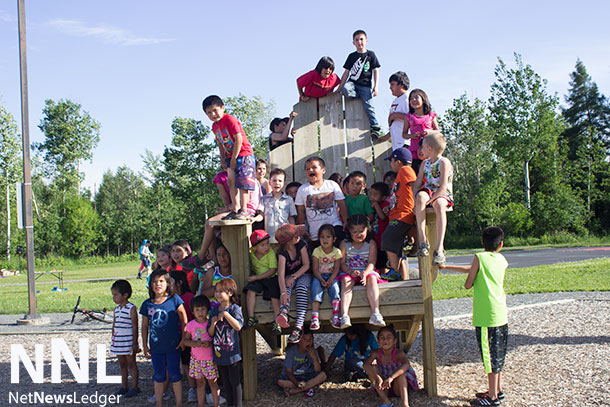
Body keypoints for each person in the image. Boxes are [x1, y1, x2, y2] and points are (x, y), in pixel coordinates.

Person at [439, 226, 508, 407]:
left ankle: (492, 398)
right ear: (501, 244)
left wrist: (465, 278)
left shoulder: (479, 257)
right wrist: (446, 267)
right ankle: (498, 391)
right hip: (500, 313)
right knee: (498, 354)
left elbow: (469, 282)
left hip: (486, 316)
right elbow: (473, 270)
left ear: (482, 242)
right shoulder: (501, 259)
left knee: (489, 356)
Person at [203, 95, 256, 221]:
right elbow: (220, 143)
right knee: (231, 182)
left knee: (243, 182)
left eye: (215, 110)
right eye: (209, 113)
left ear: (222, 108)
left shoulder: (230, 119)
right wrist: (222, 158)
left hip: (243, 154)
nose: (213, 114)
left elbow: (239, 138)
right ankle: (235, 208)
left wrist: (234, 158)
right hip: (229, 156)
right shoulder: (214, 127)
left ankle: (244, 209)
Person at [141, 269, 188, 407]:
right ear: (150, 285)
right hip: (156, 347)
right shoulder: (147, 304)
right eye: (154, 282)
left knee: (175, 374)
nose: (158, 284)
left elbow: (183, 319)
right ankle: (159, 403)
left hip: (174, 345)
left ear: (167, 283)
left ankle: (179, 403)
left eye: (161, 281)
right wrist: (144, 345)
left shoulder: (175, 300)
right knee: (159, 375)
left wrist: (184, 338)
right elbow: (144, 326)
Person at [338, 214, 386, 329]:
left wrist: (365, 273)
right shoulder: (344, 244)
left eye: (362, 230)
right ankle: (344, 315)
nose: (359, 234)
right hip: (350, 272)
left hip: (366, 270)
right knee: (346, 281)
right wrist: (350, 272)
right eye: (355, 231)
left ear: (367, 229)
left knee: (372, 278)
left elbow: (372, 262)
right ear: (349, 231)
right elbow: (342, 263)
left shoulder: (371, 243)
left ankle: (375, 313)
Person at [413, 133, 454, 265]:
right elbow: (418, 183)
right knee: (420, 197)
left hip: (442, 193)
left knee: (440, 205)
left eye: (423, 147)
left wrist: (430, 201)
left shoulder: (444, 162)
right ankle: (422, 241)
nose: (421, 150)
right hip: (429, 190)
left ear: (430, 148)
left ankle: (439, 248)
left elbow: (443, 187)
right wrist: (414, 199)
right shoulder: (424, 163)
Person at [337, 29, 382, 140]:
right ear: (353, 43)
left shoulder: (371, 55)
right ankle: (357, 96)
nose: (359, 42)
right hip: (353, 83)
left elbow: (376, 70)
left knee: (369, 106)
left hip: (365, 85)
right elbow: (346, 73)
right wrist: (339, 87)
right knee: (345, 90)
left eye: (361, 39)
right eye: (356, 40)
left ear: (366, 40)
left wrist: (376, 87)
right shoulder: (351, 56)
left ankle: (375, 126)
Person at [295, 157, 348, 249]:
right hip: (316, 231)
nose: (310, 170)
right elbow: (301, 211)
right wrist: (302, 228)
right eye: (307, 169)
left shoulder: (332, 185)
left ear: (323, 170)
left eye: (314, 167)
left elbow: (342, 204)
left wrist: (346, 221)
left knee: (338, 253)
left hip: (335, 226)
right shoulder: (302, 190)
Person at [380, 148, 417, 280]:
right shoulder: (401, 174)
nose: (391, 164)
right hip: (397, 213)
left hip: (403, 215)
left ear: (398, 161)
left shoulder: (405, 170)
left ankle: (394, 271)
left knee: (387, 239)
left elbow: (414, 185)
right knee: (396, 246)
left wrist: (419, 202)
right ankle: (397, 271)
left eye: (392, 161)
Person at [207, 279, 244, 407]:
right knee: (226, 382)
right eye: (216, 291)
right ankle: (230, 404)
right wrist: (213, 323)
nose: (217, 294)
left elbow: (238, 326)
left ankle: (238, 404)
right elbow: (210, 333)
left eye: (220, 291)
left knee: (235, 382)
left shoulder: (234, 309)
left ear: (229, 293)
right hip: (219, 353)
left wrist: (226, 315)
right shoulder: (214, 310)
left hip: (233, 353)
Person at [364, 324, 419, 407]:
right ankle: (386, 401)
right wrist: (377, 377)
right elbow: (366, 365)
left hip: (398, 386)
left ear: (395, 341)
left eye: (389, 337)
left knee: (401, 374)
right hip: (383, 386)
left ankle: (405, 404)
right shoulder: (375, 353)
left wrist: (391, 378)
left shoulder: (398, 353)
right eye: (382, 337)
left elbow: (406, 364)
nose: (385, 340)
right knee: (372, 373)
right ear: (378, 341)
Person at [274, 223, 311, 343]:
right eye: (295, 236)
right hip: (288, 276)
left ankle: (299, 324)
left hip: (303, 273)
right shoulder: (282, 254)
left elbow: (306, 265)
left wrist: (294, 277)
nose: (298, 236)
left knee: (301, 288)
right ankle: (283, 312)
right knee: (286, 287)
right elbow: (280, 275)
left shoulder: (301, 245)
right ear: (289, 241)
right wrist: (283, 292)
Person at [183, 295, 221, 407]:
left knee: (213, 383)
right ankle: (200, 404)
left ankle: (216, 404)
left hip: (209, 360)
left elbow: (216, 339)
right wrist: (194, 343)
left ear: (207, 309)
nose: (200, 312)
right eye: (197, 310)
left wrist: (209, 343)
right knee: (199, 384)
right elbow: (185, 341)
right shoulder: (190, 325)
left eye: (203, 309)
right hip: (196, 360)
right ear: (193, 311)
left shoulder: (210, 323)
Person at [243, 230, 282, 334]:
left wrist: (256, 277)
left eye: (268, 244)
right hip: (259, 279)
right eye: (263, 245)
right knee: (250, 290)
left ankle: (277, 320)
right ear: (255, 247)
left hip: (271, 277)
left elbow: (272, 270)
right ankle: (251, 317)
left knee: (274, 294)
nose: (267, 247)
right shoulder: (251, 254)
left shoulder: (270, 253)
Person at [170, 269, 197, 402]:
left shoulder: (188, 297)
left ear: (179, 283)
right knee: (185, 363)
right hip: (177, 336)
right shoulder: (169, 299)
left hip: (191, 336)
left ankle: (201, 388)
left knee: (194, 361)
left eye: (170, 281)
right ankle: (192, 387)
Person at [110, 279, 140, 398]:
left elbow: (134, 325)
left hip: (128, 341)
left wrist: (135, 342)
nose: (114, 298)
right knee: (122, 364)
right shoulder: (116, 309)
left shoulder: (131, 308)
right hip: (118, 341)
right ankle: (124, 386)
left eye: (116, 295)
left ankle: (135, 387)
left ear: (125, 295)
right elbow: (114, 323)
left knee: (131, 363)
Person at [310, 224, 342, 330]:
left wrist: (331, 279)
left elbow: (337, 268)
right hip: (319, 276)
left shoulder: (337, 252)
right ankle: (315, 317)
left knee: (335, 289)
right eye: (322, 237)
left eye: (328, 237)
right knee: (315, 289)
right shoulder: (317, 251)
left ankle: (336, 316)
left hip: (332, 275)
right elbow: (315, 269)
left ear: (334, 239)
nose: (325, 239)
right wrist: (321, 279)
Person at [277, 328, 327, 397]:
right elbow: (288, 371)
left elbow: (317, 370)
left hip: (307, 375)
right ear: (298, 341)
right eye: (305, 339)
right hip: (294, 376)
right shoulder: (291, 352)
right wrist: (296, 383)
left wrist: (315, 358)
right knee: (280, 382)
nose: (308, 342)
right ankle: (309, 386)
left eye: (310, 339)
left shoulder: (312, 351)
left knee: (323, 375)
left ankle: (294, 391)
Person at [401, 89, 440, 175]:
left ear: (423, 99)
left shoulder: (431, 115)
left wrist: (428, 132)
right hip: (415, 152)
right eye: (411, 98)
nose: (413, 100)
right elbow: (404, 134)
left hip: (429, 151)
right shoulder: (408, 117)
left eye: (416, 97)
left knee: (431, 175)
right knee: (416, 175)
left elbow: (438, 132)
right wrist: (412, 136)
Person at [261, 168, 297, 245]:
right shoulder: (264, 199)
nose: (277, 183)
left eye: (280, 181)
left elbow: (291, 218)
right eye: (274, 180)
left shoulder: (289, 200)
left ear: (284, 183)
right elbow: (261, 215)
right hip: (270, 239)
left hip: (286, 238)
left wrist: (293, 234)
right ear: (269, 182)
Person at [378, 71, 410, 151]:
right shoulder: (396, 100)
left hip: (405, 142)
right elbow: (395, 124)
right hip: (396, 143)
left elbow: (412, 118)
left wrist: (395, 115)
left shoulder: (407, 98)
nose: (390, 88)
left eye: (392, 84)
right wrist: (387, 136)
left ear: (401, 85)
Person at [369, 182, 391, 275]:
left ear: (383, 197)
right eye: (371, 194)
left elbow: (383, 217)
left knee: (383, 263)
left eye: (375, 195)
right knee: (376, 261)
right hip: (375, 239)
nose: (372, 197)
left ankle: (384, 277)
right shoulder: (371, 205)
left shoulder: (385, 204)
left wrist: (377, 206)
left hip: (383, 239)